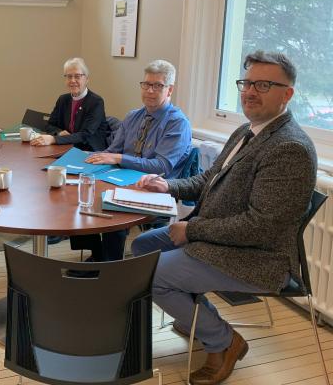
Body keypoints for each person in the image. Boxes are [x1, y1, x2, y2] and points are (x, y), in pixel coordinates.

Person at [131, 51, 317, 385]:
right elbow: (207, 181)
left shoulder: (290, 149)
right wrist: (166, 185)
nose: (249, 91)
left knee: (153, 276)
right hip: (221, 237)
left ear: (287, 94)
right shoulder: (248, 130)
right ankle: (199, 319)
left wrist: (192, 230)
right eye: (246, 82)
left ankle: (225, 342)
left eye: (263, 84)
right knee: (144, 245)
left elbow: (261, 227)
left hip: (258, 257)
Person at [79, 60, 192, 261]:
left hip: (155, 188)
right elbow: (112, 151)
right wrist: (90, 160)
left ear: (169, 90)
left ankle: (109, 267)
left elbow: (161, 166)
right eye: (146, 84)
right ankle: (98, 254)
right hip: (122, 180)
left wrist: (119, 157)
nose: (149, 90)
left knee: (110, 208)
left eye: (157, 85)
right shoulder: (133, 116)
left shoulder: (177, 123)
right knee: (82, 193)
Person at [31, 57, 109, 151]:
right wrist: (59, 133)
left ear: (86, 79)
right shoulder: (63, 99)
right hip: (65, 146)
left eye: (77, 76)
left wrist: (54, 139)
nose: (72, 80)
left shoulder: (96, 102)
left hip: (88, 151)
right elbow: (49, 125)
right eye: (69, 76)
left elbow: (85, 135)